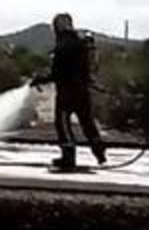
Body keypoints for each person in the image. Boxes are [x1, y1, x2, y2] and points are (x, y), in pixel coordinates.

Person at [30, 13, 107, 170]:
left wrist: (41, 79)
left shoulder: (63, 45)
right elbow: (87, 68)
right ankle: (100, 153)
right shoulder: (80, 43)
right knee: (87, 122)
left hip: (67, 92)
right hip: (82, 91)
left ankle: (68, 157)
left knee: (63, 124)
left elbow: (58, 72)